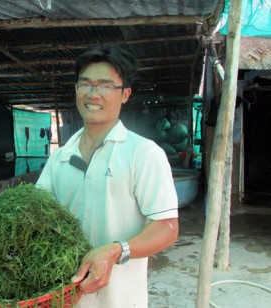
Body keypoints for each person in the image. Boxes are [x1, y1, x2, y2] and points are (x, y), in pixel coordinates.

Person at [36, 46, 179, 307]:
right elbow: (37, 213)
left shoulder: (142, 153)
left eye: (105, 86)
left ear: (125, 94)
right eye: (86, 84)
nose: (93, 94)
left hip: (120, 299)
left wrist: (116, 250)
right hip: (63, 296)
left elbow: (167, 227)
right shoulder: (60, 157)